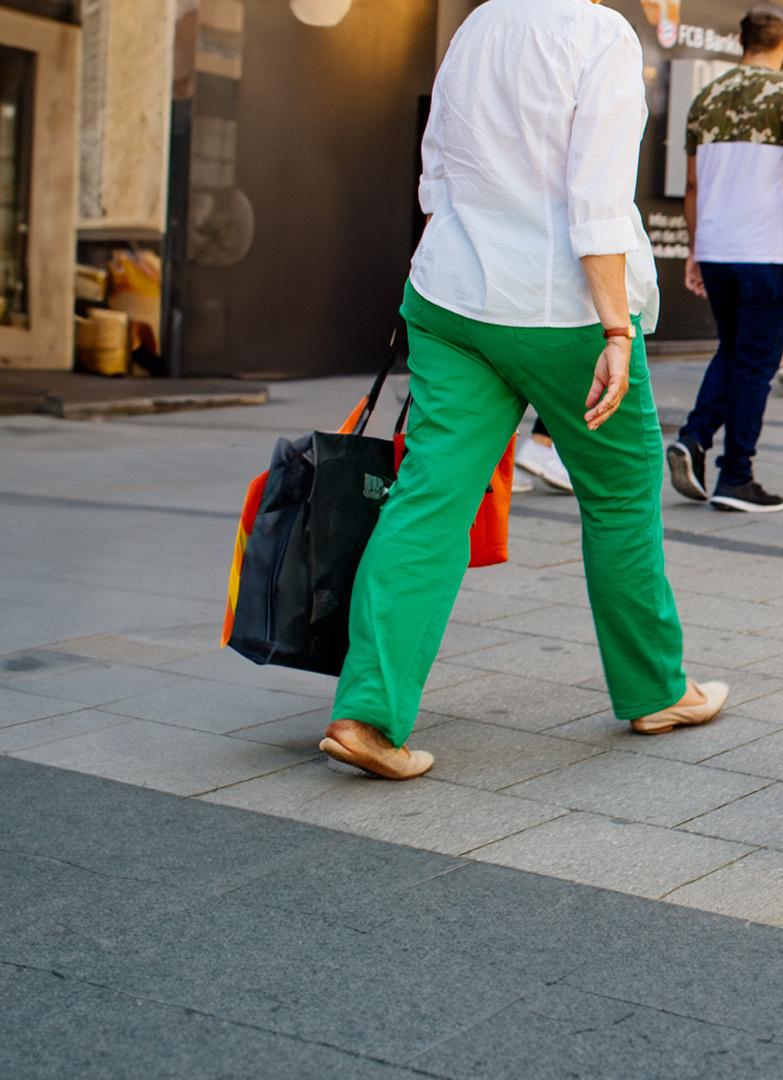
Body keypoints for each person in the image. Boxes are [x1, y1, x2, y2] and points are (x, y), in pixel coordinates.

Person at [319, 0, 725, 781]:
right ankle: (655, 690)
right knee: (620, 490)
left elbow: (435, 171)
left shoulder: (477, 25)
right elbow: (598, 196)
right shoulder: (596, 33)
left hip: (449, 296)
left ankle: (365, 712)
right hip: (560, 310)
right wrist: (615, 330)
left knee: (429, 496)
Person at [670, 5, 783, 514]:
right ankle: (735, 476)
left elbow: (692, 185)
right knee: (755, 364)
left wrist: (695, 248)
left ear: (741, 39)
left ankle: (694, 438)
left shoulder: (706, 97)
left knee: (732, 349)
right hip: (766, 251)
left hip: (717, 249)